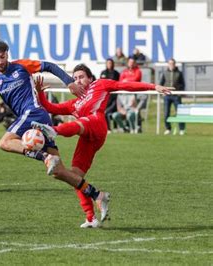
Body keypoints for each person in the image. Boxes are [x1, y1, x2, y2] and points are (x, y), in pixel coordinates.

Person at [0, 40, 110, 226]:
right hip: (34, 118)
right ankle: (97, 195)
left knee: (4, 142)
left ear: (7, 54)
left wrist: (69, 82)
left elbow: (49, 66)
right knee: (60, 172)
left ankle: (44, 156)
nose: (0, 61)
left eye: (2, 57)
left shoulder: (21, 66)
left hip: (34, 113)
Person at [32, 64, 172, 228]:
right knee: (74, 177)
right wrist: (40, 92)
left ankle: (53, 131)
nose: (78, 80)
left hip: (97, 126)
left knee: (82, 122)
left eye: (81, 76)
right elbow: (50, 107)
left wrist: (154, 86)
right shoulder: (74, 104)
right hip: (87, 138)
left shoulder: (100, 85)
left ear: (90, 78)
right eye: (75, 78)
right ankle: (91, 217)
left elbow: (125, 85)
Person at [161, 58, 186, 135]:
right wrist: (163, 92)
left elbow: (183, 84)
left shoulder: (179, 73)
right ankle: (168, 128)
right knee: (166, 113)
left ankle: (181, 129)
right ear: (168, 64)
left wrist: (179, 92)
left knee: (180, 113)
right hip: (167, 96)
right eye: (170, 63)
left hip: (176, 96)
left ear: (175, 64)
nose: (171, 65)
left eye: (172, 63)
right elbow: (161, 83)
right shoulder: (165, 73)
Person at [100, 59, 120, 133]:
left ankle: (114, 128)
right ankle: (107, 128)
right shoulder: (103, 73)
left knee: (110, 112)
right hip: (105, 97)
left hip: (114, 97)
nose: (109, 64)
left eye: (110, 63)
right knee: (103, 112)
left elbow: (118, 84)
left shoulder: (116, 73)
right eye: (108, 63)